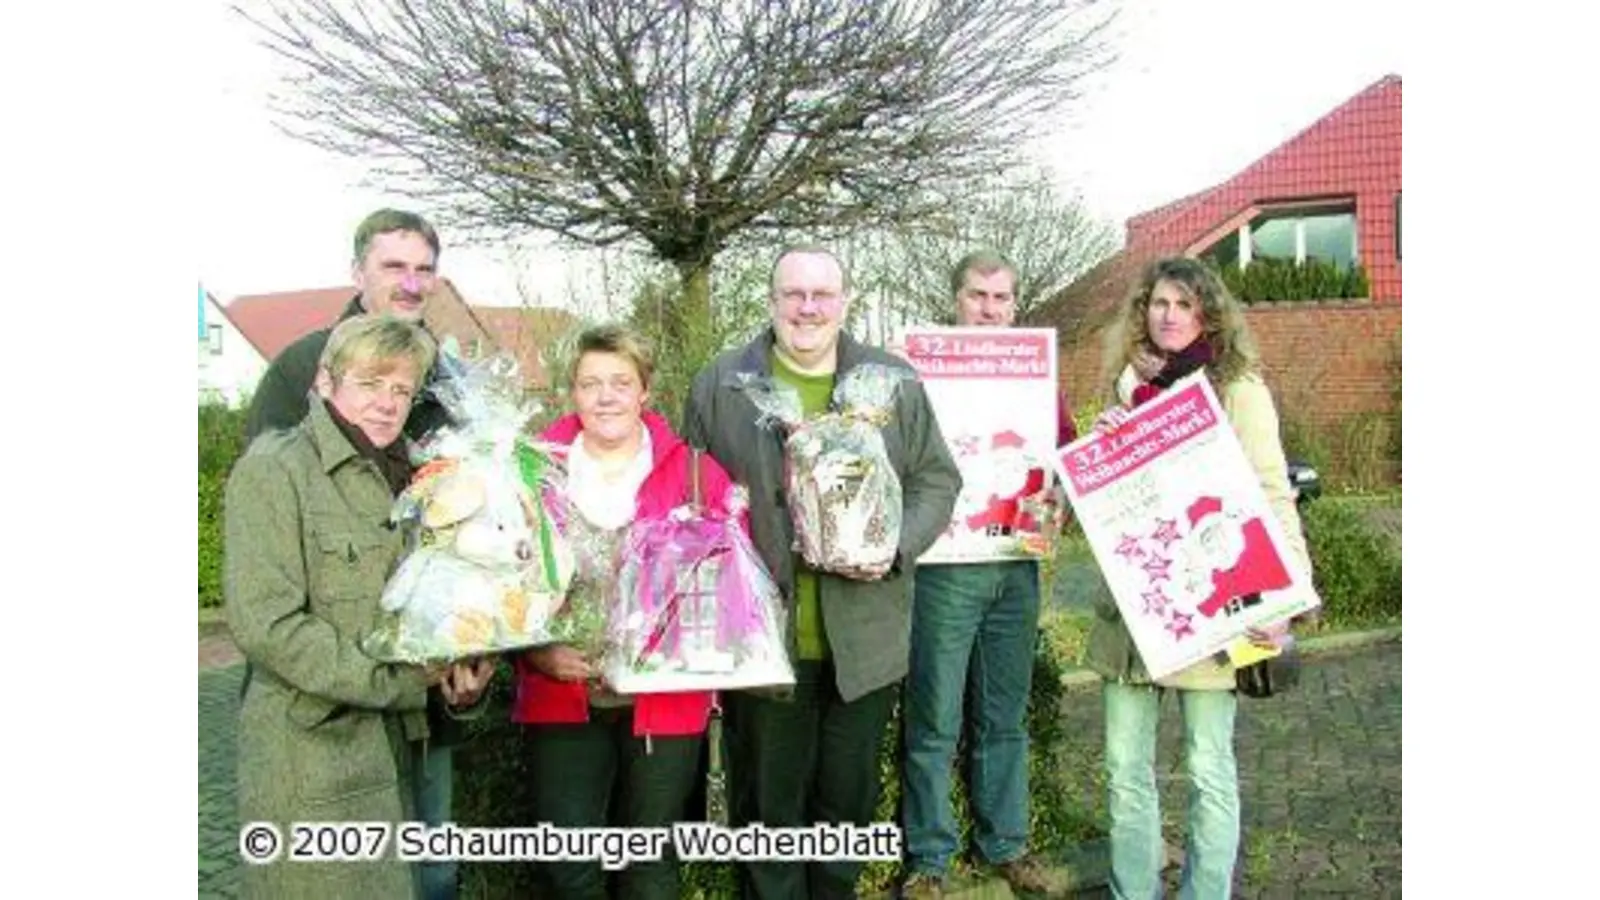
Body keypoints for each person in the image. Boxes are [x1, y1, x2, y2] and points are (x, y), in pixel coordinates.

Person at [683, 245, 963, 900]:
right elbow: (690, 493)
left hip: (863, 646)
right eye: (793, 294)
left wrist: (893, 546)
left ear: (845, 302)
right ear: (772, 300)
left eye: (822, 295)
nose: (807, 308)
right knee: (768, 822)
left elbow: (937, 481)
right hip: (761, 646)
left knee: (844, 816)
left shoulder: (894, 382)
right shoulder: (722, 382)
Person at [225, 315, 494, 899]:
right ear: (327, 382)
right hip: (314, 764)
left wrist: (461, 674)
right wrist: (402, 680)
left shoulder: (418, 480)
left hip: (402, 759)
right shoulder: (276, 470)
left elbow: (436, 609)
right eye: (370, 384)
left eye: (401, 390)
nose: (386, 403)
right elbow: (268, 624)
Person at [1084, 256, 1311, 899]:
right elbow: (1108, 510)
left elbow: (1273, 494)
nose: (1170, 316)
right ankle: (1134, 892)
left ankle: (1204, 893)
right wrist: (1106, 448)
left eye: (1185, 305)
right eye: (1160, 303)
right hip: (1132, 616)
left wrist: (1287, 601)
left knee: (1208, 768)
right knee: (1125, 771)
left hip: (1211, 612)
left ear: (1207, 314)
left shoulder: (1239, 390)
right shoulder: (1127, 389)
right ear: (1142, 311)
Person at [512, 324, 742, 900]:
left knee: (649, 864)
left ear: (646, 391)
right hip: (563, 695)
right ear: (572, 392)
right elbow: (499, 585)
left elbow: (736, 588)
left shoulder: (695, 472)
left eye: (621, 382)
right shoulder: (532, 471)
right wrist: (535, 650)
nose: (606, 396)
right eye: (591, 383)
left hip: (664, 702)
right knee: (568, 866)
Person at [899, 251, 1076, 898]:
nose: (990, 310)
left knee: (1005, 714)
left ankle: (1005, 844)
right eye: (978, 296)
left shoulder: (1037, 380)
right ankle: (929, 860)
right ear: (956, 299)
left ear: (1016, 305)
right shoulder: (918, 375)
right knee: (935, 718)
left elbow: (1063, 455)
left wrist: (1058, 495)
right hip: (945, 568)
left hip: (1014, 566)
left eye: (1002, 299)